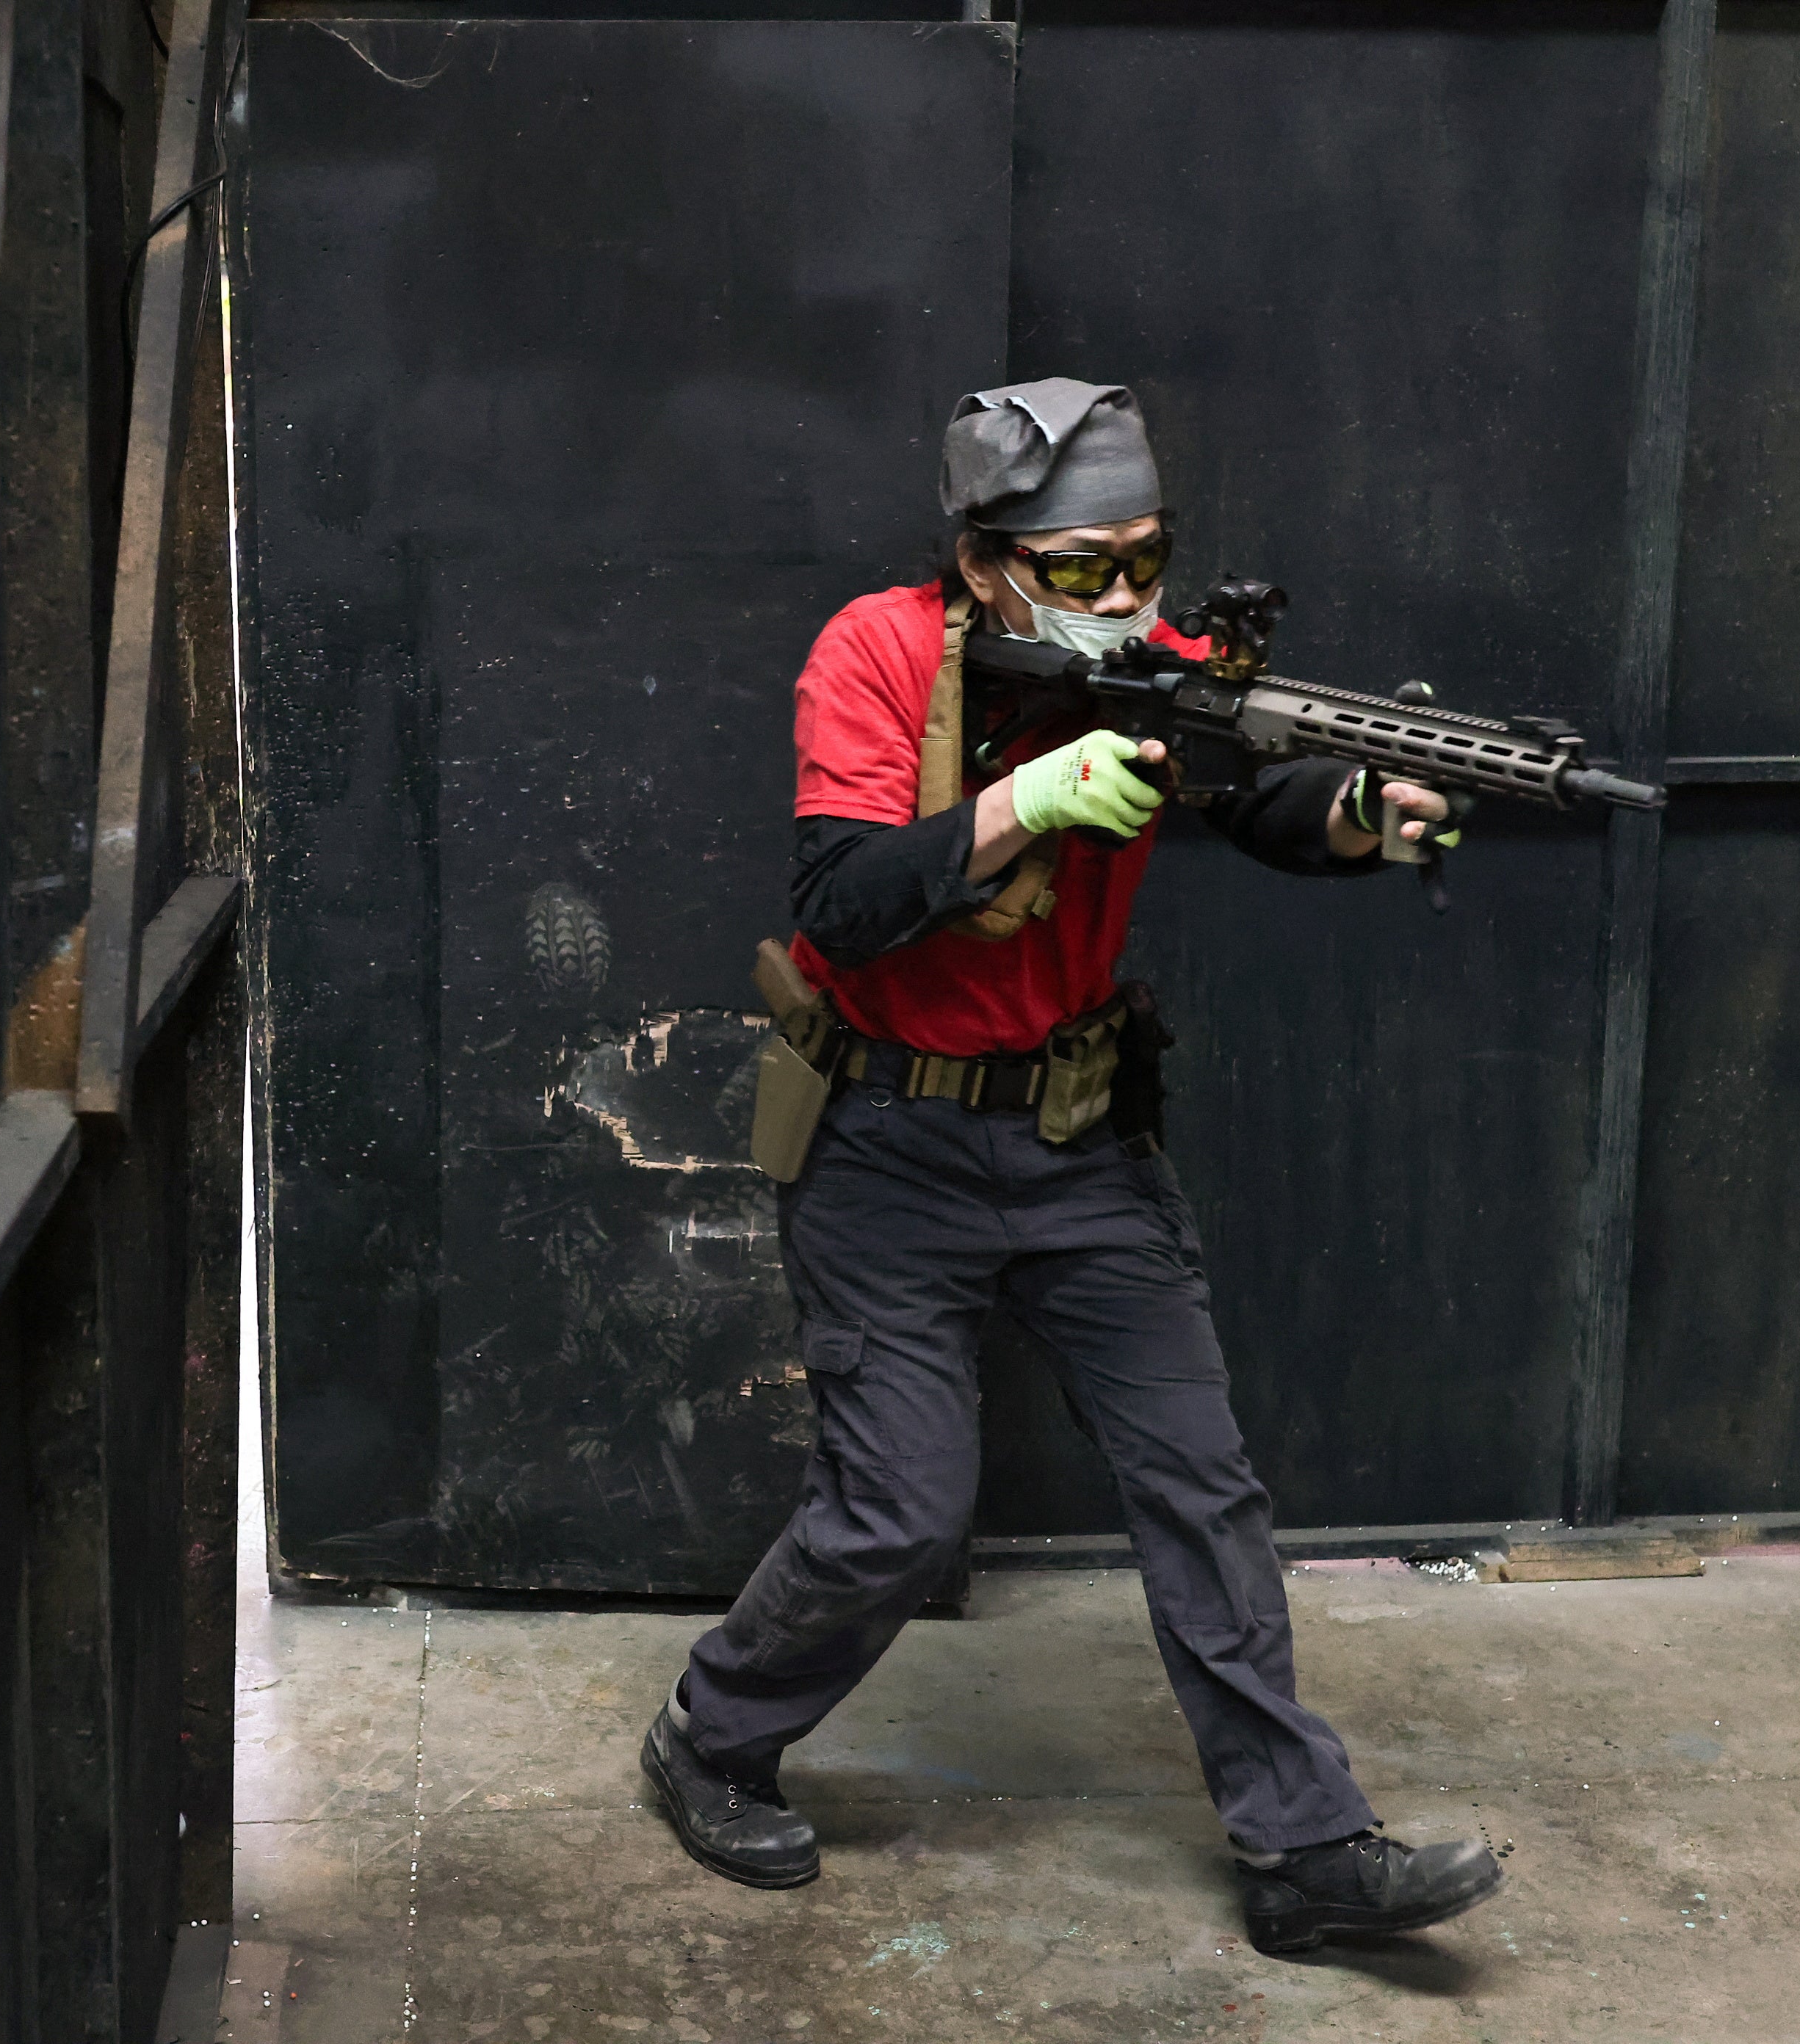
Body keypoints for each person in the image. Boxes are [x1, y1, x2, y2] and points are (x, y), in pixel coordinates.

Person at [637, 379, 1505, 1957]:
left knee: (1202, 1488)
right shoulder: (877, 652)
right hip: (886, 1144)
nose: (1127, 599)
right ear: (983, 562)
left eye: (1147, 559)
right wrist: (1018, 802)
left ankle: (1306, 1855)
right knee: (900, 1511)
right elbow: (838, 902)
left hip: (1080, 1140)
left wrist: (1374, 822)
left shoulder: (1154, 672)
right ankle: (711, 1735)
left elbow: (1261, 792)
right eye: (1084, 567)